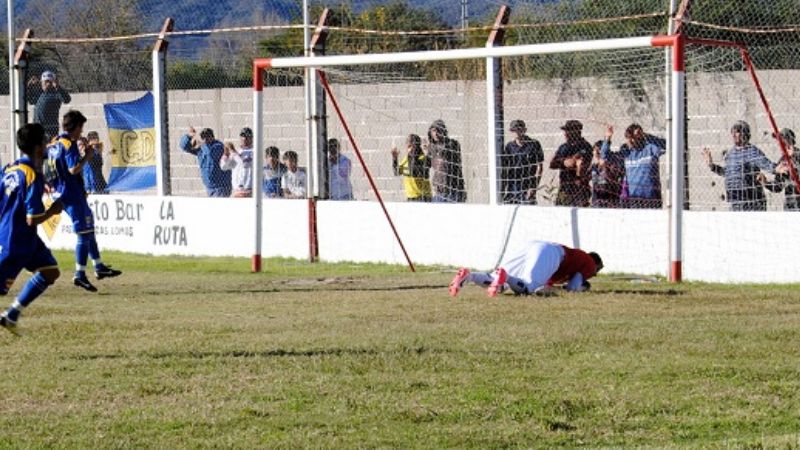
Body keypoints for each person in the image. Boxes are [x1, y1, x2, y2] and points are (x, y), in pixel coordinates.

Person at [46, 110, 122, 292]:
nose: (82, 132)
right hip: (71, 194)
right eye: (81, 128)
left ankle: (99, 266)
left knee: (88, 227)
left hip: (60, 192)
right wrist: (87, 156)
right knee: (83, 233)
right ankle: (79, 274)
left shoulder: (54, 142)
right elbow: (73, 169)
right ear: (76, 127)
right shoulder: (68, 143)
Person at [0, 124, 64, 334]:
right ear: (38, 148)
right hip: (16, 242)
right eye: (45, 141)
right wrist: (53, 210)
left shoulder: (11, 169)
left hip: (24, 240)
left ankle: (12, 315)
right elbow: (32, 219)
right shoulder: (32, 177)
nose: (47, 145)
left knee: (50, 271)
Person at [449, 240, 603, 297]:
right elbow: (573, 287)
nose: (593, 275)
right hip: (551, 254)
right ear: (595, 265)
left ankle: (468, 276)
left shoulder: (576, 260)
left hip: (534, 246)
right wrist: (582, 288)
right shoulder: (589, 263)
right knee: (527, 288)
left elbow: (547, 286)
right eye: (596, 271)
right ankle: (507, 277)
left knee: (498, 283)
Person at [702, 121, 777, 211]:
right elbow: (727, 173)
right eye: (732, 132)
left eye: (737, 132)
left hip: (751, 202)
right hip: (735, 201)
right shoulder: (731, 153)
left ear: (745, 134)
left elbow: (766, 164)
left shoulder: (751, 151)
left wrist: (776, 169)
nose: (734, 135)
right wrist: (712, 165)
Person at [606, 124, 666, 209]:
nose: (629, 141)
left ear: (639, 137)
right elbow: (606, 156)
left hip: (652, 198)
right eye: (627, 138)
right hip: (634, 198)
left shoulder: (650, 148)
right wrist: (608, 138)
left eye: (632, 138)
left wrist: (646, 135)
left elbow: (666, 146)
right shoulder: (626, 153)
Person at [549, 120, 592, 207]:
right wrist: (564, 162)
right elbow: (552, 164)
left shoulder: (585, 146)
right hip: (564, 186)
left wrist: (564, 161)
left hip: (579, 187)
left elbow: (575, 163)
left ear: (576, 131)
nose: (565, 133)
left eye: (568, 131)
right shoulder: (563, 147)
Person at [500, 120, 544, 205]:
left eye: (518, 129)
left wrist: (534, 187)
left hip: (527, 185)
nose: (516, 132)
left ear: (524, 130)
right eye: (514, 130)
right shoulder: (509, 147)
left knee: (527, 212)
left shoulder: (534, 144)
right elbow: (505, 169)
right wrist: (503, 188)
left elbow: (539, 167)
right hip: (512, 186)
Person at [180, 127, 232, 197]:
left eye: (207, 137)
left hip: (221, 187)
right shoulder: (201, 149)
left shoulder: (218, 146)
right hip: (209, 187)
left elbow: (210, 154)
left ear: (212, 137)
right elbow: (184, 146)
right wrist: (189, 136)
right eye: (203, 137)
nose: (204, 140)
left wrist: (201, 143)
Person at [761, 128, 800, 211]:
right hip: (790, 203)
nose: (780, 144)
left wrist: (795, 159)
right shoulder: (782, 161)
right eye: (779, 142)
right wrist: (765, 182)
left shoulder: (798, 155)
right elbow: (778, 187)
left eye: (783, 140)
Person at [427, 119, 466, 203]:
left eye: (438, 130)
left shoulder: (453, 144)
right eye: (433, 131)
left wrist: (430, 148)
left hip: (454, 190)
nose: (436, 133)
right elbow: (425, 166)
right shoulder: (431, 147)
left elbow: (444, 151)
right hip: (439, 191)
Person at [27, 71, 72, 139]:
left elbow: (67, 100)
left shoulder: (56, 93)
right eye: (44, 82)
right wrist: (30, 86)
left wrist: (57, 86)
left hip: (50, 130)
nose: (46, 84)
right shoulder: (40, 93)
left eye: (48, 82)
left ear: (52, 83)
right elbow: (30, 101)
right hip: (37, 128)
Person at [391, 134, 432, 202]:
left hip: (423, 197)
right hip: (410, 197)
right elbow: (397, 172)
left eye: (412, 144)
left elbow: (414, 172)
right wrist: (395, 158)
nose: (409, 147)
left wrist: (414, 155)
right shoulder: (406, 158)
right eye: (408, 144)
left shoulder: (422, 158)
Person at [590, 130, 625, 208]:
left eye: (598, 150)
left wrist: (606, 167)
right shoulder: (594, 167)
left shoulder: (613, 164)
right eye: (594, 150)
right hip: (597, 201)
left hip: (611, 200)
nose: (596, 152)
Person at [219, 127, 254, 198]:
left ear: (251, 138)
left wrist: (233, 151)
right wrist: (225, 154)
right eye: (242, 136)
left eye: (247, 136)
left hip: (248, 190)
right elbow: (223, 167)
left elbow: (244, 164)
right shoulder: (237, 152)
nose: (244, 139)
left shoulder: (254, 151)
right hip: (236, 190)